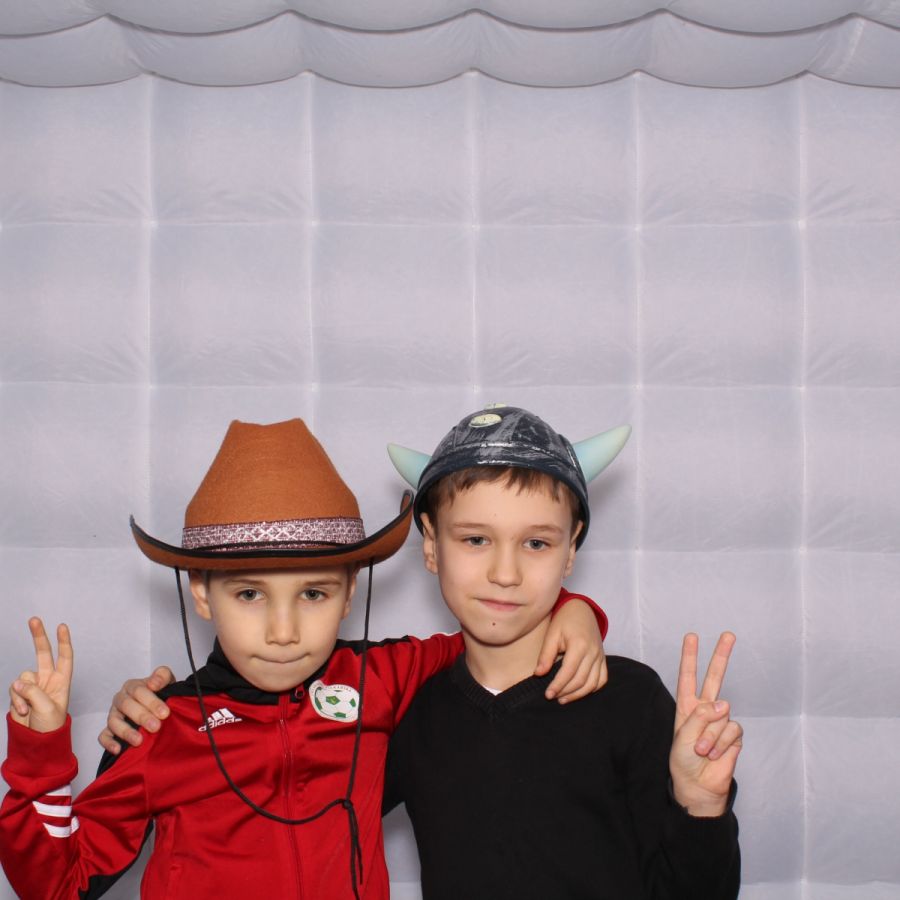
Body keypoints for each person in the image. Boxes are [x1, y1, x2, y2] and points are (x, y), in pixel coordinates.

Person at [0, 417, 608, 900]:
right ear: (202, 594)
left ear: (349, 594)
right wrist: (38, 759)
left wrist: (575, 610)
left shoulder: (384, 677)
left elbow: (497, 630)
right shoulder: (160, 725)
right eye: (249, 594)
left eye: (313, 594)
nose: (284, 631)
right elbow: (57, 884)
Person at [380, 404, 742, 899]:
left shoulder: (631, 702)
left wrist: (699, 805)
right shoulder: (411, 712)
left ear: (570, 550)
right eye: (476, 539)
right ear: (430, 544)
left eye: (536, 544)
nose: (505, 574)